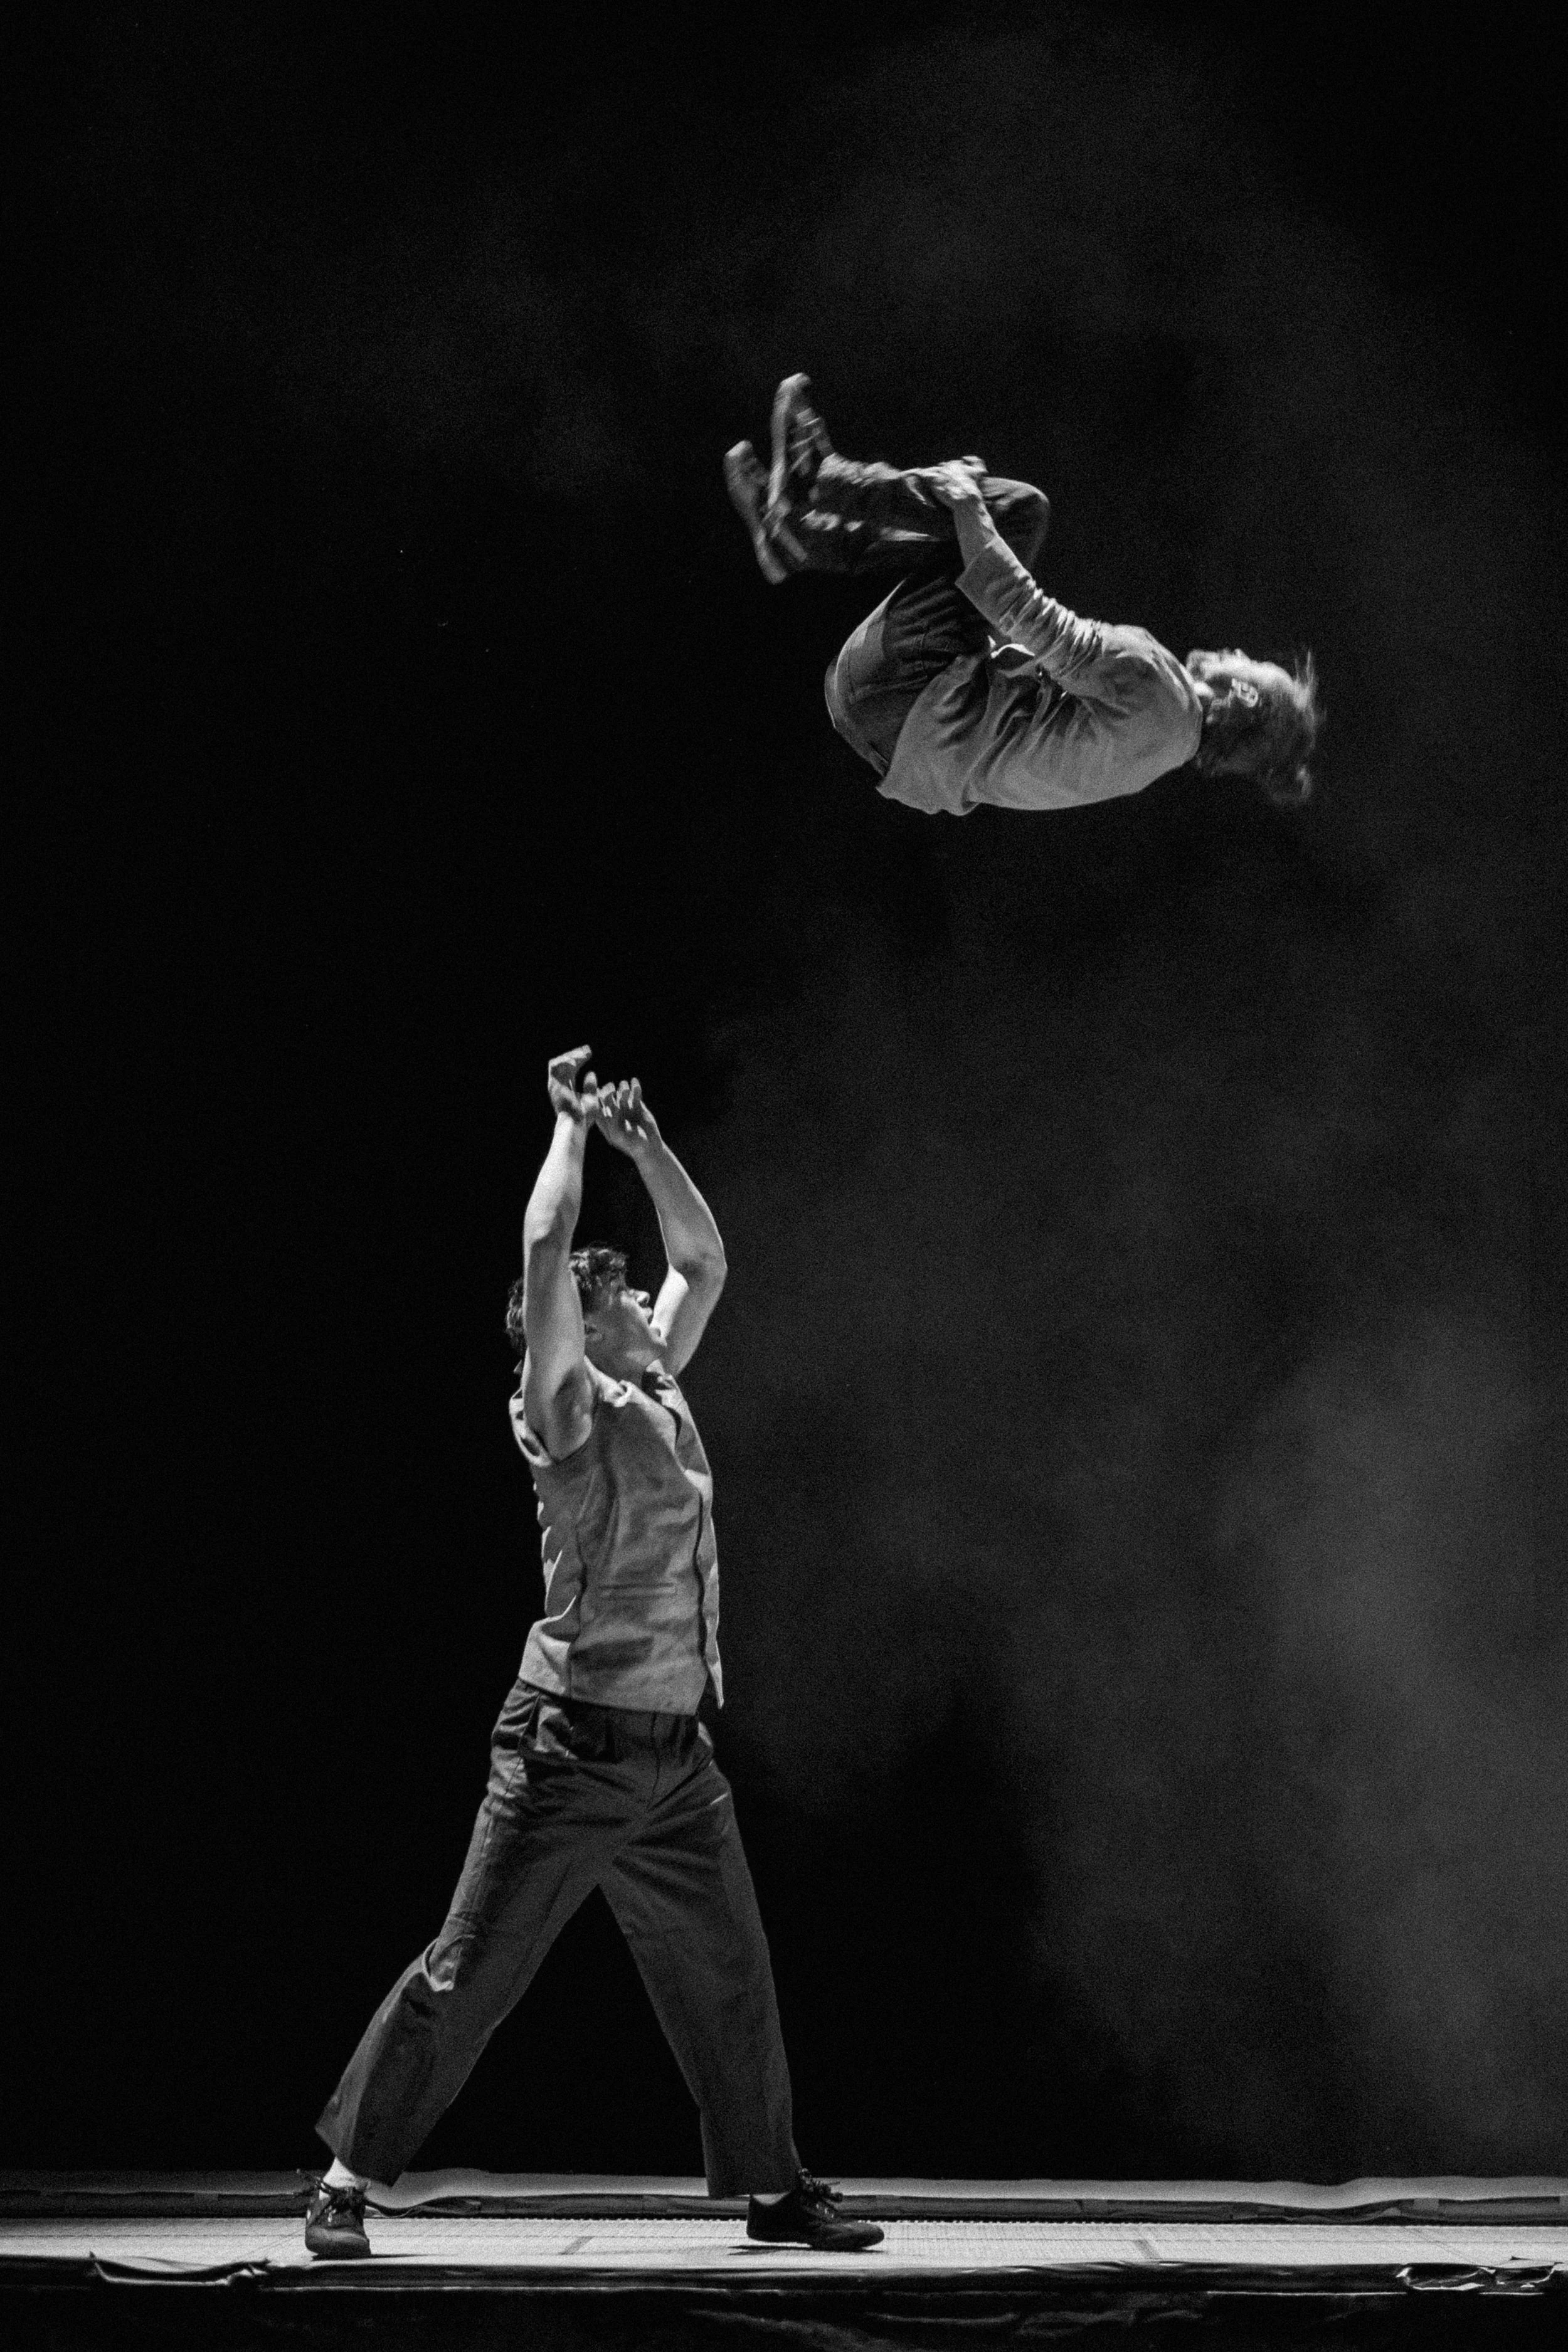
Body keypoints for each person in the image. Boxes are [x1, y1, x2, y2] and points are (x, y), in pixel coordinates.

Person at [304, 1047, 882, 2260]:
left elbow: (707, 1259)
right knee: (470, 1974)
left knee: (731, 1975)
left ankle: (776, 2194)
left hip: (673, 1756)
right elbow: (540, 1245)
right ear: (573, 1335)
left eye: (625, 1301)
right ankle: (346, 2180)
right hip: (567, 1749)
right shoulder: (562, 1414)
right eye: (611, 1302)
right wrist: (569, 1130)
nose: (638, 1305)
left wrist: (646, 1144)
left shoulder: (657, 1387)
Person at [724, 374, 1320, 818]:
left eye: (1253, 664)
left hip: (907, 692)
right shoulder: (1156, 749)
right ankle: (802, 536)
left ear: (1243, 691)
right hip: (887, 724)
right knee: (973, 547)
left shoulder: (1158, 694)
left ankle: (826, 481)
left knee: (1018, 514)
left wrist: (964, 502)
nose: (1240, 652)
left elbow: (1026, 614)